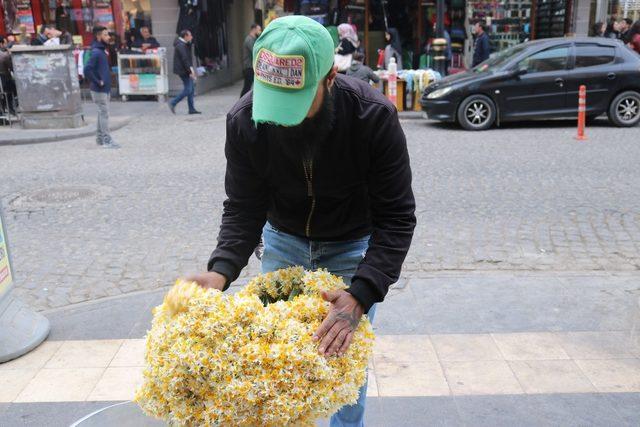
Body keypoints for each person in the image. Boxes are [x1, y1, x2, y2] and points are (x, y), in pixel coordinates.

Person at [186, 15, 415, 427]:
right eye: (275, 101)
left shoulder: (372, 117)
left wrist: (361, 294)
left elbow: (396, 217)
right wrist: (221, 271)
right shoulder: (245, 119)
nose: (284, 119)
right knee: (277, 375)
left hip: (350, 247)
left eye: (297, 103)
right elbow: (243, 205)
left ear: (330, 77)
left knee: (341, 379)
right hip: (283, 242)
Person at [84, 26, 120, 148]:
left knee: (101, 113)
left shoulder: (101, 50)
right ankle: (106, 140)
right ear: (98, 36)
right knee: (104, 114)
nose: (108, 37)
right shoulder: (97, 52)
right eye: (105, 35)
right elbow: (87, 69)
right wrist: (98, 81)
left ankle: (100, 139)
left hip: (103, 88)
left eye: (108, 34)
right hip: (99, 89)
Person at [169, 30, 200, 115]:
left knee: (191, 89)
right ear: (185, 36)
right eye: (190, 35)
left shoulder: (184, 44)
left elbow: (187, 59)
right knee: (188, 89)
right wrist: (190, 71)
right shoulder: (181, 45)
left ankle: (191, 109)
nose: (192, 37)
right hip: (183, 71)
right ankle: (173, 102)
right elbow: (185, 59)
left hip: (185, 69)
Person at [240, 23, 262, 98]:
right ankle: (241, 103)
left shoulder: (253, 39)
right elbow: (255, 51)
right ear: (254, 29)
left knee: (249, 87)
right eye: (259, 30)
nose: (260, 31)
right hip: (248, 67)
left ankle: (243, 102)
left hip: (251, 67)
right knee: (247, 87)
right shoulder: (249, 39)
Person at [0, 36, 16, 116]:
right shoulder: (4, 56)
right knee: (13, 89)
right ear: (1, 44)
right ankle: (10, 108)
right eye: (5, 43)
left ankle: (3, 108)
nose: (6, 45)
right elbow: (11, 68)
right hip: (5, 79)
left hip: (3, 81)